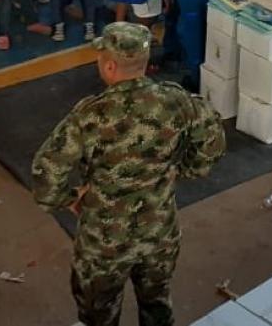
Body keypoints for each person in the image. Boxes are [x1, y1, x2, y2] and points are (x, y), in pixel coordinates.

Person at [32, 22, 224, 326]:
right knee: (157, 305)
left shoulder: (90, 114)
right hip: (159, 232)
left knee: (99, 315)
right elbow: (211, 141)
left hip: (103, 242)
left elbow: (46, 173)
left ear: (109, 65)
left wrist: (68, 199)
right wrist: (184, 169)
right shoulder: (177, 100)